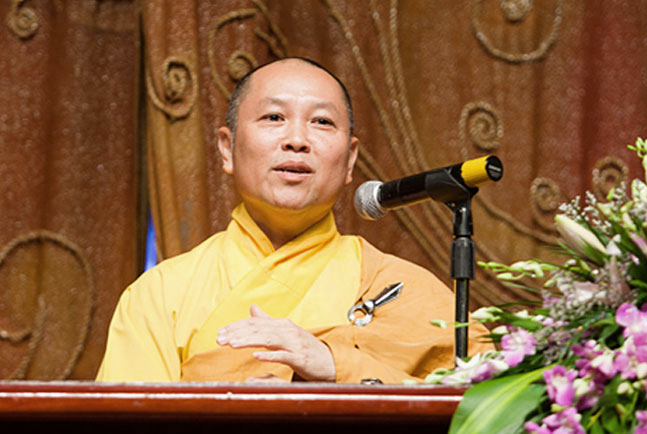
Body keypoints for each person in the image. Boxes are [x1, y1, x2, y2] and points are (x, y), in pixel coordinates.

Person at [96, 58, 491, 383]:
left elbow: (489, 406)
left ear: (350, 159)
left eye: (322, 122)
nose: (297, 140)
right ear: (227, 149)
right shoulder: (161, 294)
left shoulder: (401, 288)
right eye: (273, 117)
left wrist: (337, 366)